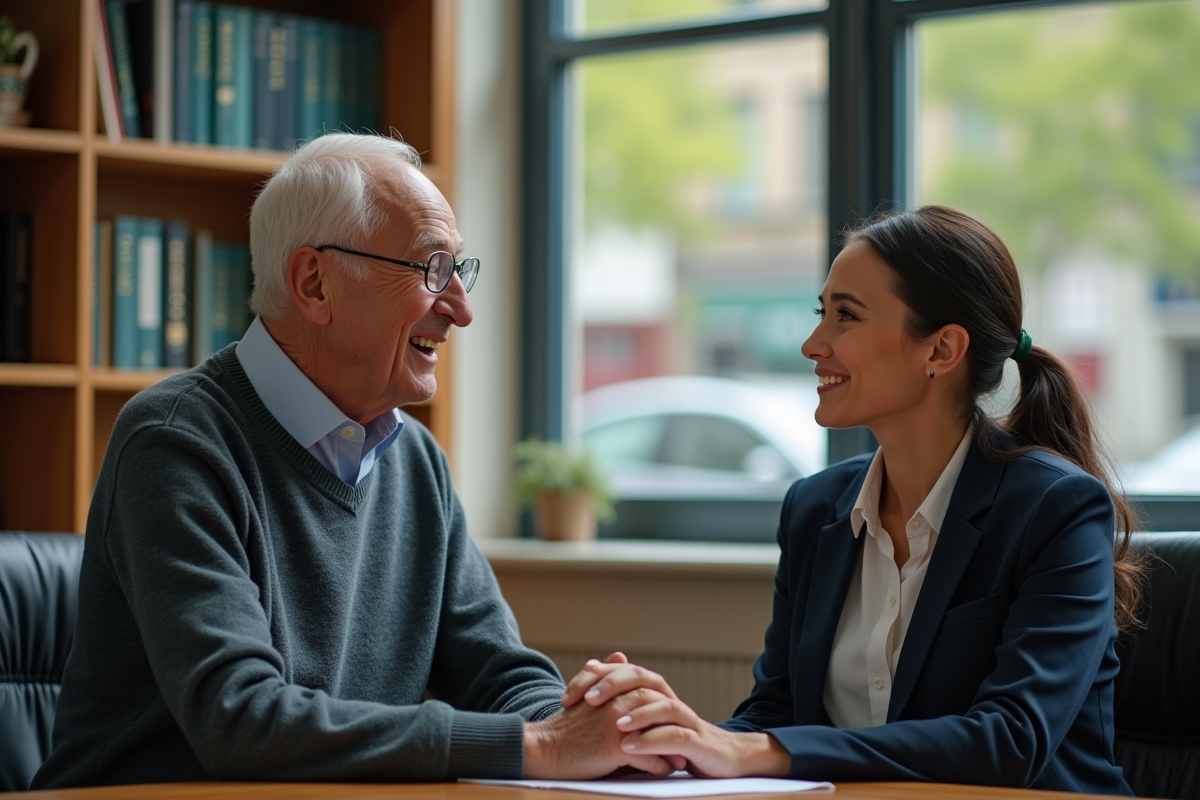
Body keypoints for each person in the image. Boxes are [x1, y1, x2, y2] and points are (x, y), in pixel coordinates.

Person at [33, 133, 676, 787]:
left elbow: (498, 672)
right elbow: (241, 719)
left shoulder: (416, 461)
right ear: (315, 283)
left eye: (461, 270)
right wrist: (539, 745)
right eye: (432, 269)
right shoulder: (175, 442)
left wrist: (606, 728)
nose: (461, 307)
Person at [561, 206, 1140, 795]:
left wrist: (741, 750)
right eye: (822, 312)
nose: (814, 344)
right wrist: (663, 744)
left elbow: (1011, 740)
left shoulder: (1057, 509)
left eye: (846, 316)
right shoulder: (815, 509)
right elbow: (777, 717)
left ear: (940, 350)